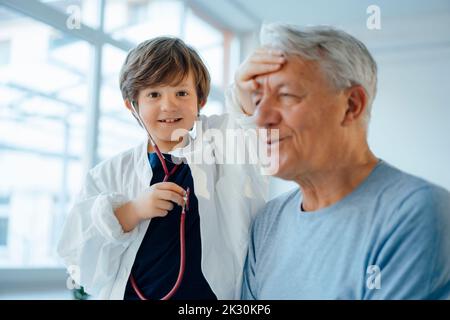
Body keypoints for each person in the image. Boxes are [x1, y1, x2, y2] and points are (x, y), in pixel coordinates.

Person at [236, 23, 450, 299]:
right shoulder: (267, 223)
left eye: (286, 95)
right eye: (256, 100)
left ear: (351, 105)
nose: (260, 117)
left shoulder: (417, 212)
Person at [57, 37, 270, 299]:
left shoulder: (220, 145)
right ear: (132, 106)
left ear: (200, 101)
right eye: (153, 94)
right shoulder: (108, 174)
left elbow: (247, 124)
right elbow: (78, 256)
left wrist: (247, 89)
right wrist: (131, 211)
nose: (169, 105)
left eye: (181, 93)